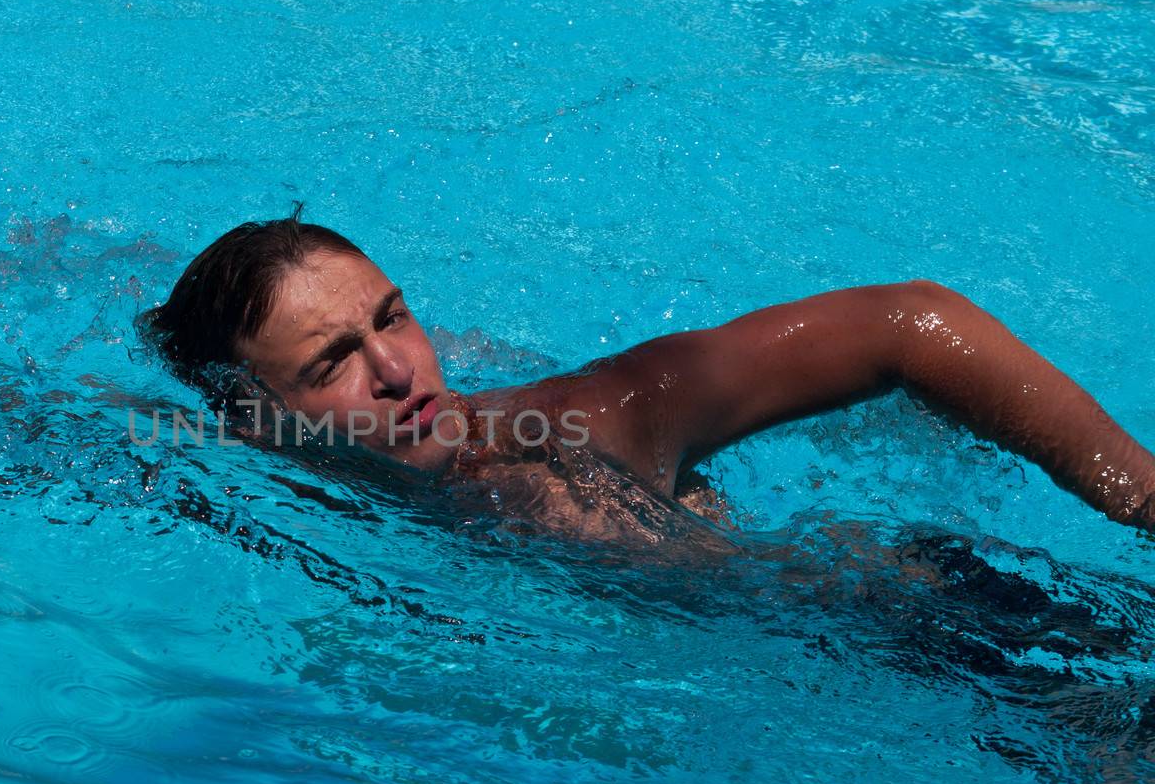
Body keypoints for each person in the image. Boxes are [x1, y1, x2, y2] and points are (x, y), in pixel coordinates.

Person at [137, 204, 1155, 541]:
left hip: (959, 650)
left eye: (393, 318)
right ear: (255, 417)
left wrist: (1142, 494)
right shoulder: (233, 465)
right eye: (333, 365)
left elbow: (908, 321)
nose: (399, 370)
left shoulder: (583, 424)